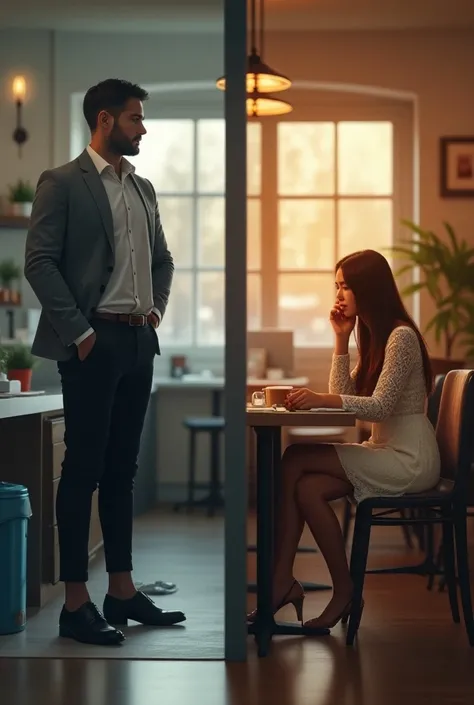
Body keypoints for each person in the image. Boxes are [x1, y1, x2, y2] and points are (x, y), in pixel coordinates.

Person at [25, 78, 186, 646]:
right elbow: (39, 263)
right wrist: (83, 333)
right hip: (93, 345)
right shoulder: (62, 183)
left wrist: (157, 310)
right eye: (135, 119)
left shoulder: (142, 188)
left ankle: (121, 591)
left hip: (140, 342)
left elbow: (163, 261)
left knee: (123, 471)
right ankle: (75, 604)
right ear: (103, 121)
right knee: (83, 472)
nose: (142, 128)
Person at [248, 249, 440, 630]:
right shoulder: (374, 335)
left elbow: (379, 407)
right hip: (384, 450)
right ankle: (338, 588)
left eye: (346, 286)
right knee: (307, 489)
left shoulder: (400, 336)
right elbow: (347, 393)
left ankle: (283, 580)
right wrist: (340, 340)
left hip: (409, 458)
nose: (339, 295)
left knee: (296, 458)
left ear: (368, 289)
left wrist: (322, 399)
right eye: (336, 286)